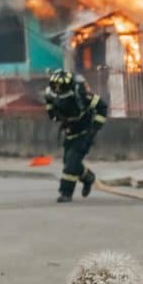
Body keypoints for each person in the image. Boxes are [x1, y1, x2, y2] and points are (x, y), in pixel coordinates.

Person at [44, 69, 108, 203]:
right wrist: (52, 114)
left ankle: (66, 193)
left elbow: (102, 107)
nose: (61, 99)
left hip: (84, 132)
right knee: (69, 162)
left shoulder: (82, 95)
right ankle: (88, 177)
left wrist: (94, 128)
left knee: (71, 163)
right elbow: (49, 102)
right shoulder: (51, 92)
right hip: (70, 132)